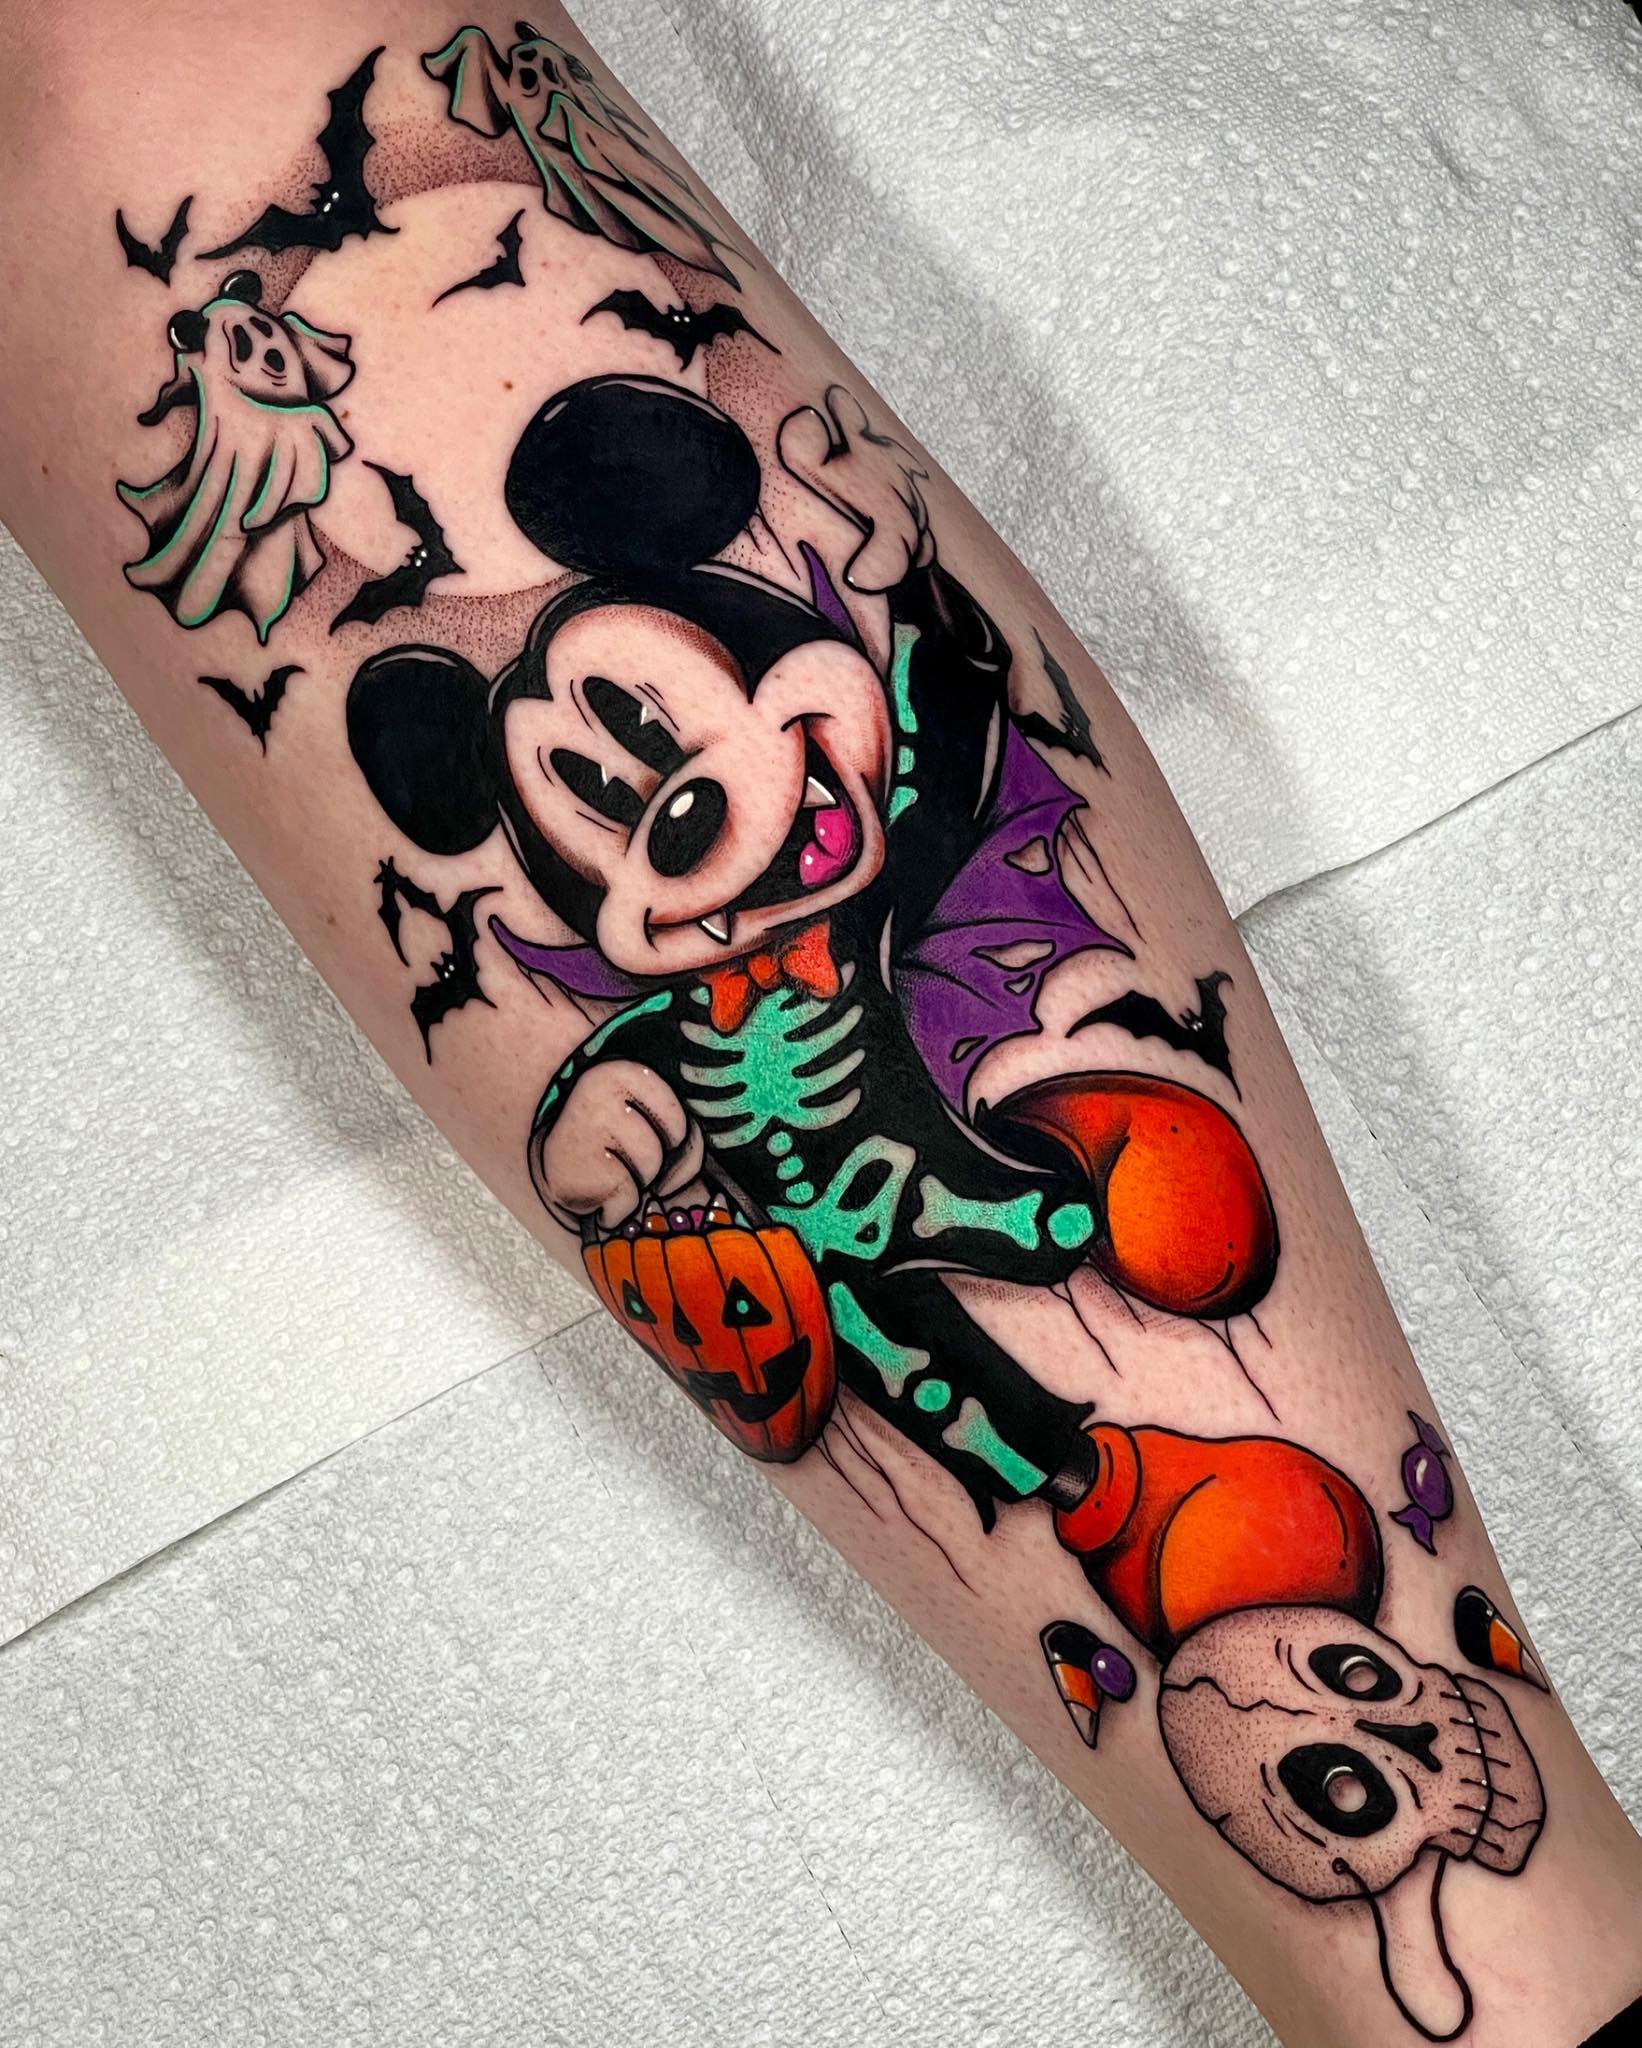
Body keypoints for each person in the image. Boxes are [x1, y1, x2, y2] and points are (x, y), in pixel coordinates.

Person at [0, 7, 1637, 2042]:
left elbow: (183, 79)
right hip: (873, 1267)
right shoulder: (661, 997)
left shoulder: (871, 826)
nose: (676, 817)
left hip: (983, 1173)